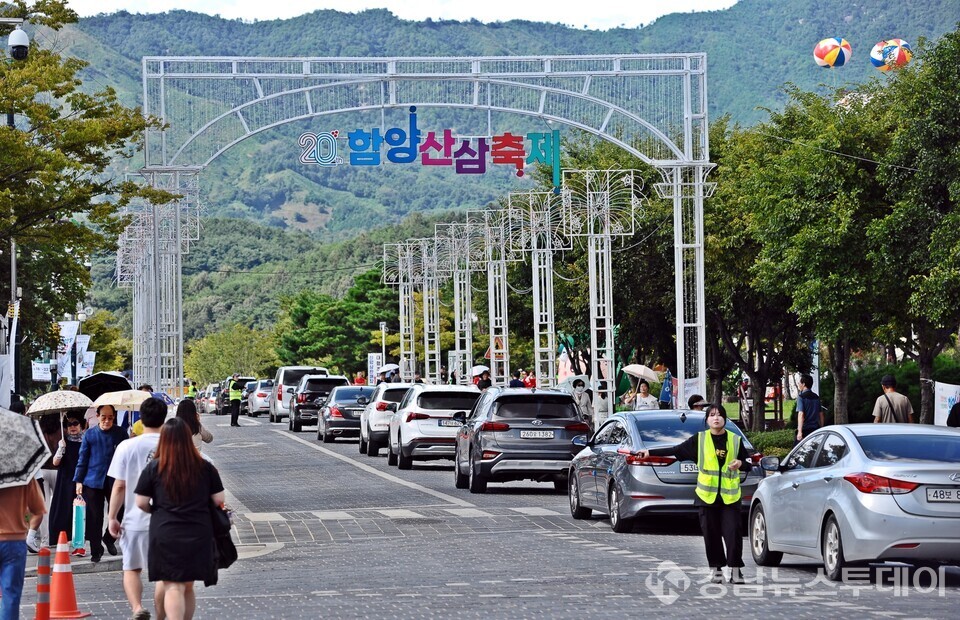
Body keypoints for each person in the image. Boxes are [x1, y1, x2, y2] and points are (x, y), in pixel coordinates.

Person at [638, 404, 754, 584]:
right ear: (707, 420)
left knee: (733, 534)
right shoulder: (699, 440)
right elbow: (675, 451)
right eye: (712, 415)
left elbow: (748, 464)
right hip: (706, 497)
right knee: (711, 535)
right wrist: (649, 452)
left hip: (730, 498)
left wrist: (740, 464)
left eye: (720, 415)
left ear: (725, 419)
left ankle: (736, 570)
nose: (716, 418)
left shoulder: (735, 440)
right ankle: (716, 570)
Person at [135, 418, 226, 620]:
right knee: (188, 586)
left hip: (165, 531)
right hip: (198, 531)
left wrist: (156, 510)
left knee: (172, 586)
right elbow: (219, 499)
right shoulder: (204, 466)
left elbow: (141, 502)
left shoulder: (154, 467)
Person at [108, 397, 168, 620]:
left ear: (141, 419)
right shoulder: (175, 446)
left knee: (132, 568)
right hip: (167, 520)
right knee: (164, 574)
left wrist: (112, 517)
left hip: (134, 519)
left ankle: (137, 608)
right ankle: (161, 616)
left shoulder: (126, 446)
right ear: (164, 418)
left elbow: (119, 486)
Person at [73, 404, 127, 562]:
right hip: (93, 480)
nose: (107, 421)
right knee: (94, 517)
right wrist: (79, 480)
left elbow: (127, 456)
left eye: (110, 418)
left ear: (114, 417)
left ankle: (109, 538)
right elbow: (82, 459)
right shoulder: (90, 434)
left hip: (115, 480)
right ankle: (96, 549)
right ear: (97, 416)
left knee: (119, 512)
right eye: (104, 417)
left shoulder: (121, 433)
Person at [0, 479, 45, 619]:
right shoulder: (23, 473)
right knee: (10, 596)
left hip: (13, 541)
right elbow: (38, 510)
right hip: (13, 540)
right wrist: (23, 518)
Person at [49, 415, 86, 555]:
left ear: (81, 425)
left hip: (81, 480)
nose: (72, 427)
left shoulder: (86, 441)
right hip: (64, 481)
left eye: (75, 423)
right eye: (69, 424)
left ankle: (80, 545)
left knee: (80, 512)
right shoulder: (63, 442)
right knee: (63, 512)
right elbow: (55, 463)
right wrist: (60, 450)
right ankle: (62, 541)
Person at [795, 374, 825, 442]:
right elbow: (821, 414)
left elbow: (801, 414)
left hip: (805, 430)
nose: (798, 384)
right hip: (815, 429)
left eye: (799, 382)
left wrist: (800, 432)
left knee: (798, 448)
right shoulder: (816, 397)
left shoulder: (801, 397)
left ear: (803, 384)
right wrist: (821, 428)